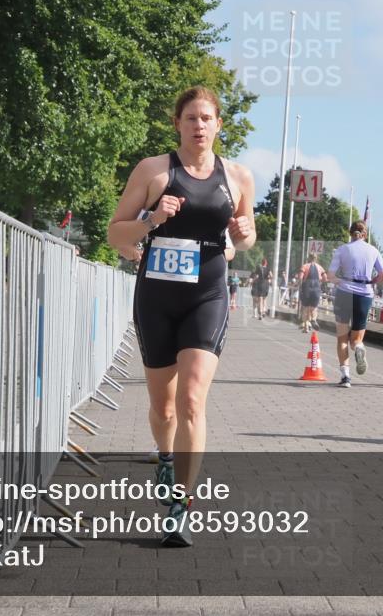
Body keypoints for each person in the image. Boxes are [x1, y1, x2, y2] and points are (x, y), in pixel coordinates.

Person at [107, 86, 256, 545]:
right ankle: (166, 456)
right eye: (191, 118)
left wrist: (244, 233)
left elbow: (245, 237)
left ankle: (181, 506)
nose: (199, 126)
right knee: (164, 407)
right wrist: (151, 220)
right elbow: (116, 234)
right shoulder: (154, 170)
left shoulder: (237, 176)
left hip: (207, 294)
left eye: (207, 118)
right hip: (156, 296)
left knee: (192, 399)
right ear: (177, 124)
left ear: (219, 124)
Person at [326, 221, 383, 387]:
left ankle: (345, 376)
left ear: (350, 233)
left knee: (342, 338)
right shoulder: (373, 251)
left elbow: (330, 275)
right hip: (364, 294)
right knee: (356, 339)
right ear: (365, 234)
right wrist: (372, 281)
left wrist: (341, 282)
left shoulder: (342, 249)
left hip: (344, 293)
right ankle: (359, 347)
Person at [298, 253, 326, 333]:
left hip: (307, 287)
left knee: (305, 308)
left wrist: (300, 285)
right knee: (314, 307)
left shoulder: (305, 266)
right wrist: (320, 282)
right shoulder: (320, 267)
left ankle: (306, 327)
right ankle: (313, 319)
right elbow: (325, 278)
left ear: (309, 258)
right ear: (316, 258)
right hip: (316, 287)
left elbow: (300, 277)